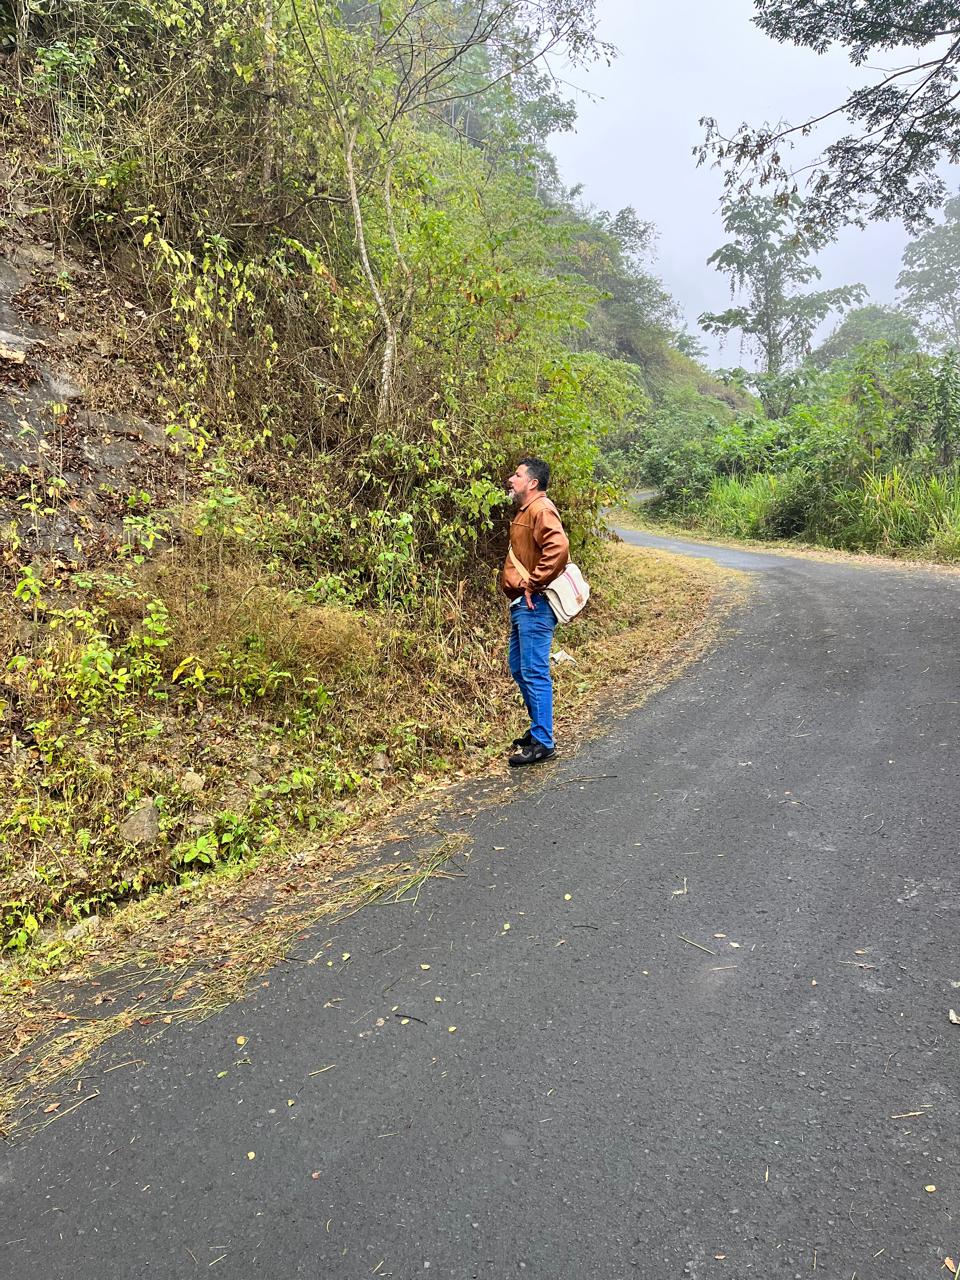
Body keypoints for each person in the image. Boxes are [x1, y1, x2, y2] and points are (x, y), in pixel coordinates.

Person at [501, 457, 569, 767]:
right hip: (523, 605)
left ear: (532, 482)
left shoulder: (541, 509)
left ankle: (543, 742)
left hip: (534, 605)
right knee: (519, 667)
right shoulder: (527, 510)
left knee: (533, 671)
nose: (511, 479)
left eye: (517, 475)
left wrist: (533, 584)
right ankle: (539, 729)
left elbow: (558, 547)